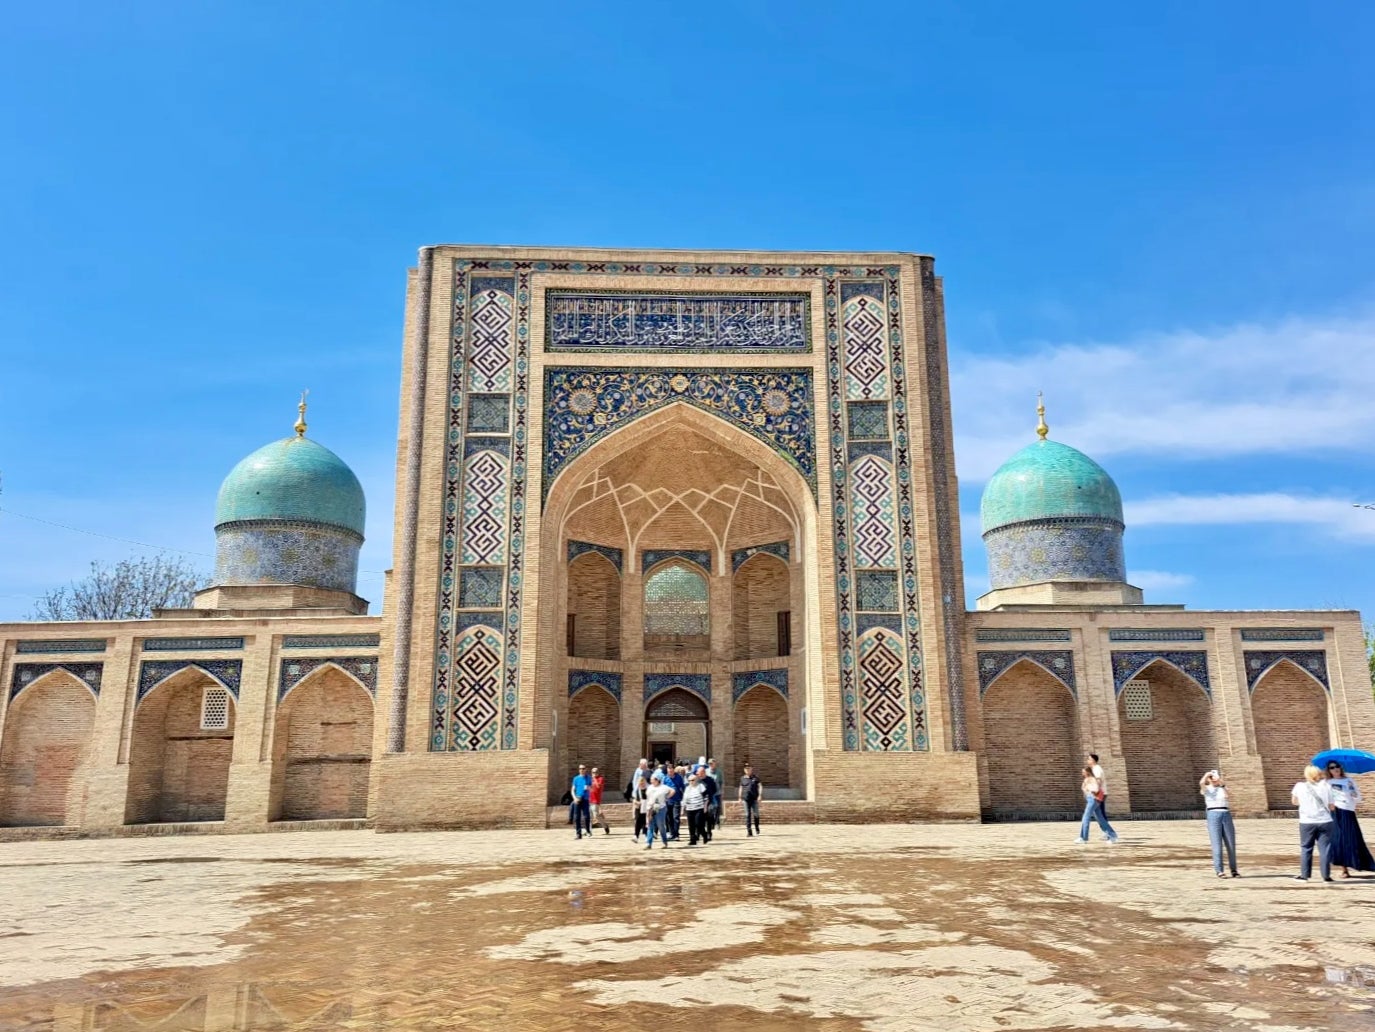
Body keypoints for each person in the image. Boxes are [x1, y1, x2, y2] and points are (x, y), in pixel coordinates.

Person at [1325, 759, 1374, 877]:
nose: (1335, 769)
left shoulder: (1349, 781)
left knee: (1352, 839)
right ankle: (1344, 870)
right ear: (1329, 770)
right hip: (1335, 812)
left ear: (1341, 768)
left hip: (1348, 811)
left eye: (1337, 766)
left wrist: (1353, 793)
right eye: (1332, 767)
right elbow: (1324, 797)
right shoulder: (1327, 783)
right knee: (1338, 840)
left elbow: (1358, 798)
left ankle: (1362, 863)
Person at [1292, 764, 1336, 882]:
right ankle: (1326, 876)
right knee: (1325, 849)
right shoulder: (1326, 786)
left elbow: (1294, 802)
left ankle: (1305, 875)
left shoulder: (1299, 786)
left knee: (1306, 848)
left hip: (1307, 821)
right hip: (1325, 821)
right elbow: (1332, 806)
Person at [1199, 770, 1239, 878]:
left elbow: (1228, 796)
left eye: (1215, 776)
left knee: (1230, 843)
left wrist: (1221, 783)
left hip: (1225, 813)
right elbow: (1201, 783)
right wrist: (1207, 775)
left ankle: (1234, 869)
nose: (1213, 779)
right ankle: (1219, 870)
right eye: (1211, 778)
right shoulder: (1207, 789)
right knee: (1217, 844)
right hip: (1213, 814)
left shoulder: (1222, 788)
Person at [1076, 764, 1118, 844]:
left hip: (1093, 799)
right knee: (1100, 819)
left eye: (1083, 772)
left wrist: (1089, 789)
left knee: (1086, 817)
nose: (1082, 773)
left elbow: (1095, 789)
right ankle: (1112, 835)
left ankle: (1083, 838)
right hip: (1092, 799)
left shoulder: (1091, 779)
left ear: (1087, 772)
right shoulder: (1087, 779)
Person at [643, 772, 674, 850]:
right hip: (651, 808)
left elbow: (673, 790)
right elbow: (648, 798)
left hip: (660, 808)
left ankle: (664, 842)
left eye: (652, 779)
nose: (651, 780)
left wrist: (667, 797)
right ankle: (648, 843)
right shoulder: (650, 787)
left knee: (660, 825)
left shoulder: (663, 787)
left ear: (657, 780)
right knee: (650, 825)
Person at [682, 772, 710, 845]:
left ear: (696, 780)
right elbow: (684, 799)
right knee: (691, 825)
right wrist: (682, 809)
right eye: (690, 780)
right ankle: (693, 839)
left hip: (699, 808)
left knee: (698, 824)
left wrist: (705, 807)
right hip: (689, 808)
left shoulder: (700, 786)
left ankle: (704, 834)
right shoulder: (687, 789)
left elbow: (706, 797)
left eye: (693, 780)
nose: (691, 782)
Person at [629, 759, 650, 843]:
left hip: (646, 805)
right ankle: (636, 836)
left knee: (645, 820)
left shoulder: (648, 788)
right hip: (639, 804)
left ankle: (646, 835)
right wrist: (635, 800)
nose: (642, 783)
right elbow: (634, 785)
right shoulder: (637, 772)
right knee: (638, 820)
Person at [739, 762, 762, 836]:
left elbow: (760, 786)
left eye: (749, 769)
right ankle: (749, 831)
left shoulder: (755, 778)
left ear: (751, 769)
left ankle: (757, 827)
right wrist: (739, 797)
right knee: (747, 815)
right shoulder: (742, 778)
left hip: (754, 799)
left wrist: (760, 795)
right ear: (744, 770)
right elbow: (741, 787)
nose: (747, 770)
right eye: (746, 769)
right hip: (746, 799)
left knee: (756, 814)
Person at [570, 764, 591, 840]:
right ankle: (578, 834)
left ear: (586, 769)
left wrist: (588, 788)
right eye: (580, 768)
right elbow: (572, 790)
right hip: (578, 799)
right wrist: (574, 798)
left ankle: (588, 830)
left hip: (585, 799)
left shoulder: (589, 778)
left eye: (583, 768)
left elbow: (592, 789)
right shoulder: (576, 778)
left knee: (586, 816)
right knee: (577, 817)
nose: (582, 770)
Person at [699, 765, 719, 843]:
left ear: (703, 772)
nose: (699, 774)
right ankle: (700, 833)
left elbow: (714, 789)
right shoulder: (697, 780)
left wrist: (710, 795)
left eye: (700, 773)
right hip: (700, 802)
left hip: (709, 801)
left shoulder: (710, 780)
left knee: (708, 817)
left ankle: (709, 832)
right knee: (701, 819)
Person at [588, 766, 610, 835]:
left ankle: (605, 825)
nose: (594, 773)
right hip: (589, 800)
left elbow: (598, 787)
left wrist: (594, 779)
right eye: (593, 772)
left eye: (596, 772)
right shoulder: (590, 780)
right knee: (589, 816)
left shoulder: (600, 779)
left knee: (596, 815)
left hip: (595, 800)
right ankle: (589, 831)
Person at [706, 758, 724, 826]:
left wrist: (722, 792)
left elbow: (721, 782)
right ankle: (711, 822)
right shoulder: (706, 771)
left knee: (717, 807)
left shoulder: (719, 772)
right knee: (710, 808)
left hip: (717, 793)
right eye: (709, 763)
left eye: (711, 763)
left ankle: (717, 822)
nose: (710, 765)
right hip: (709, 793)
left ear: (715, 764)